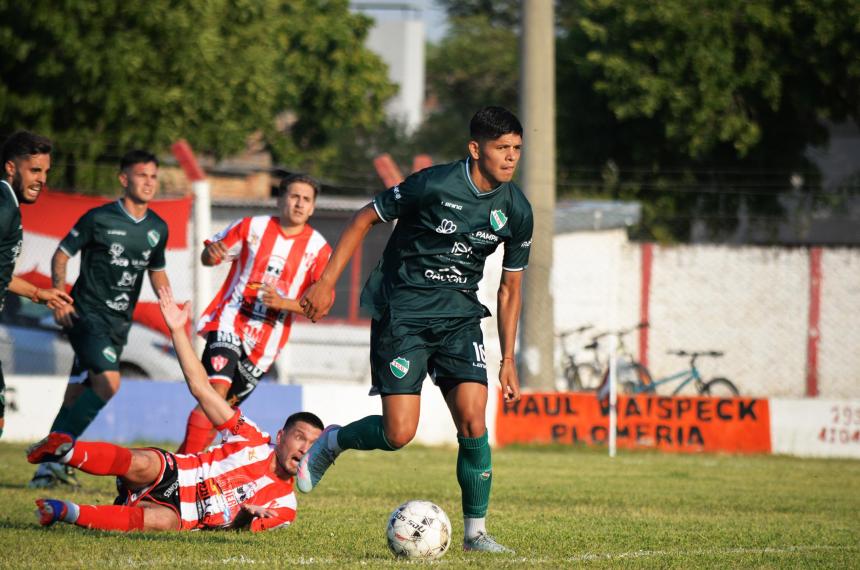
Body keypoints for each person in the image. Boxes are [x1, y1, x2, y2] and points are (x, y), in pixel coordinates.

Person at [297, 106, 533, 553]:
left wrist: (508, 359)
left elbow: (509, 289)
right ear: (475, 148)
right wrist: (326, 282)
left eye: (517, 149)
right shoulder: (435, 184)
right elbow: (364, 218)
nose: (510, 158)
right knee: (399, 433)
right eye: (502, 148)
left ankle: (475, 534)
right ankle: (334, 440)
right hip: (402, 313)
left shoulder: (516, 209)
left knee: (473, 420)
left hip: (460, 318)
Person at [29, 286, 324, 532]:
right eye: (300, 437)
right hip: (177, 472)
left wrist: (247, 516)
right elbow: (201, 388)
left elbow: (240, 530)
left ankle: (63, 510)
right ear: (281, 435)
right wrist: (177, 330)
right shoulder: (251, 436)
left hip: (185, 514)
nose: (305, 448)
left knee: (161, 521)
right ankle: (63, 451)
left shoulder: (286, 506)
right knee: (143, 462)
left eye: (313, 444)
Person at [29, 149, 172, 488]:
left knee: (78, 394)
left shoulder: (157, 228)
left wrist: (170, 305)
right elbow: (62, 254)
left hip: (119, 323)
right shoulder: (99, 218)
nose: (149, 182)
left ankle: (47, 468)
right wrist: (59, 295)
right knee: (109, 383)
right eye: (142, 175)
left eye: (153, 176)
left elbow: (158, 272)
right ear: (124, 179)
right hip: (87, 313)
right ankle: (59, 453)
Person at [176, 173, 331, 454]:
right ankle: (180, 474)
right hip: (230, 321)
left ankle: (174, 469)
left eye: (306, 199)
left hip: (266, 345)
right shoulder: (252, 226)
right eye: (294, 196)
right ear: (280, 199)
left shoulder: (319, 249)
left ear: (313, 207)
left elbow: (321, 306)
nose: (299, 204)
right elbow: (209, 255)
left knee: (221, 413)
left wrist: (282, 303)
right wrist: (212, 255)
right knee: (214, 393)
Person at [0, 131, 74, 439]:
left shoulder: (9, 204)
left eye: (45, 172)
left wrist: (37, 293)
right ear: (11, 168)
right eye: (34, 170)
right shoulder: (4, 206)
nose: (41, 179)